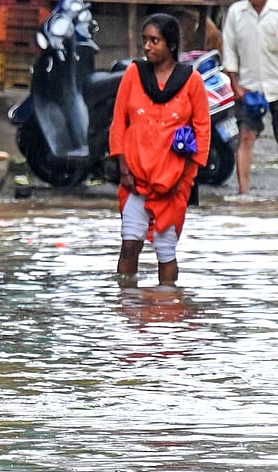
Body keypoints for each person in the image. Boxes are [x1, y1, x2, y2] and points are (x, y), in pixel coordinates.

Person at [109, 13, 210, 286]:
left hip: (174, 182)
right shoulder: (134, 74)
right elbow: (119, 123)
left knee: (166, 252)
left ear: (171, 45)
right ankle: (126, 303)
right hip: (134, 178)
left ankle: (167, 306)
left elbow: (203, 132)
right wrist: (123, 169)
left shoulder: (192, 81)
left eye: (155, 41)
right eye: (145, 40)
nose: (148, 46)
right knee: (129, 244)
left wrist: (185, 179)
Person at [220, 0, 278, 199]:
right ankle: (244, 192)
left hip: (276, 85)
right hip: (248, 88)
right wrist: (235, 85)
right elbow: (230, 51)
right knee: (245, 137)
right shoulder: (236, 12)